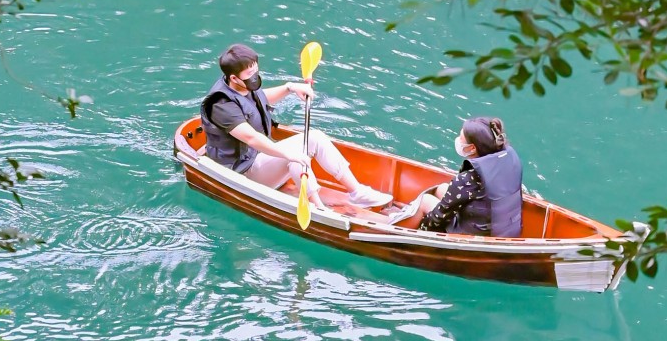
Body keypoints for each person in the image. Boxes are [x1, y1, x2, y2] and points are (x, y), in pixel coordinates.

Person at [200, 43, 393, 210]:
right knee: (295, 156)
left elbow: (260, 99)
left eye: (256, 70)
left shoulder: (243, 87)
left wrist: (289, 87)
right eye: (250, 74)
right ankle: (318, 207)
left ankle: (356, 193)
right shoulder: (221, 105)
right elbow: (250, 137)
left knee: (314, 138)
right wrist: (286, 154)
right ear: (233, 78)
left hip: (258, 160)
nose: (255, 77)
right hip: (243, 172)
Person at [405, 116, 523, 237]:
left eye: (461, 138)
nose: (458, 140)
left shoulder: (467, 179)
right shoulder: (509, 162)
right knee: (442, 188)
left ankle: (400, 230)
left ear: (472, 148)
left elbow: (437, 219)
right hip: (504, 228)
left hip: (475, 236)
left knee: (425, 201)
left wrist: (422, 228)